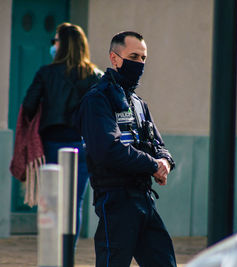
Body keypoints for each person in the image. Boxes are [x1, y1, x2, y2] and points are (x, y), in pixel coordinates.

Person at [76, 31, 176, 267]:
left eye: (143, 58)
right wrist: (152, 165)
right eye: (134, 56)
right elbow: (108, 150)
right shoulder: (97, 99)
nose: (140, 63)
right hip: (116, 200)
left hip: (144, 198)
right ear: (114, 58)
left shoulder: (139, 103)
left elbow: (160, 146)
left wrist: (165, 163)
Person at [22, 22, 102, 246]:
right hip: (82, 146)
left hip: (52, 144)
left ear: (62, 44)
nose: (52, 45)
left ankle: (51, 252)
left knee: (51, 202)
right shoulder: (96, 76)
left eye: (55, 40)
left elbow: (28, 106)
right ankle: (67, 255)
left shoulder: (46, 73)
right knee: (74, 203)